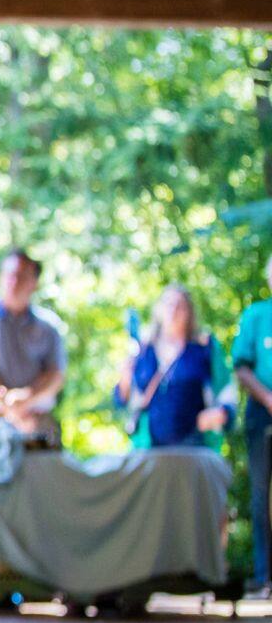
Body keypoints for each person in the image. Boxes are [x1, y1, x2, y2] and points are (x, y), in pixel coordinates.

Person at [0, 249, 67, 443]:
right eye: (9, 275)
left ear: (34, 283)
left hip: (38, 421)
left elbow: (56, 376)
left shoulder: (49, 326)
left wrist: (27, 399)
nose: (13, 282)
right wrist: (9, 408)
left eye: (21, 276)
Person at [115, 284, 235, 450]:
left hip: (195, 446)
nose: (174, 310)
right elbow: (121, 400)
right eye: (169, 304)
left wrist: (223, 414)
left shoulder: (203, 348)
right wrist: (125, 378)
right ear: (159, 309)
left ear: (189, 313)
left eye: (180, 305)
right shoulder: (143, 351)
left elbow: (226, 391)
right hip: (149, 448)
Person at [233, 255, 272, 598]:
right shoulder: (257, 315)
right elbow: (242, 368)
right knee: (261, 496)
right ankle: (264, 576)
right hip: (263, 417)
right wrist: (268, 399)